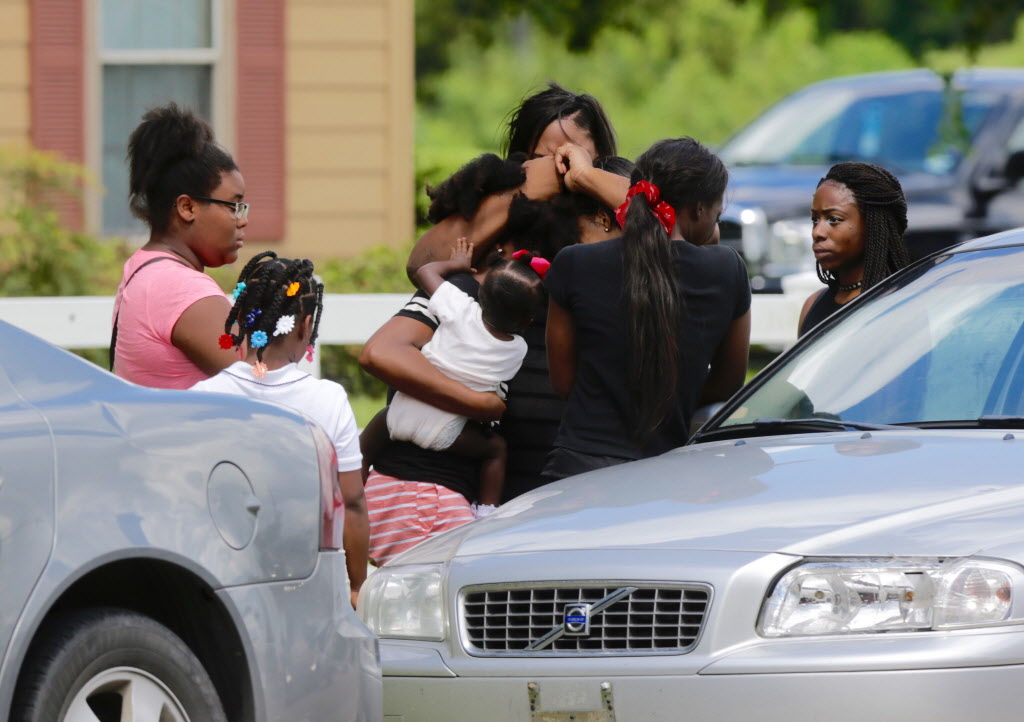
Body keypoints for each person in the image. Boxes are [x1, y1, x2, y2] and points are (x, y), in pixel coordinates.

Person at [542, 137, 752, 481]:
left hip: (577, 471)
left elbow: (564, 382)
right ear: (699, 209)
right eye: (717, 212)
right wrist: (668, 389)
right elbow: (728, 382)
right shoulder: (727, 270)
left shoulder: (574, 262)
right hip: (663, 474)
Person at [190, 252, 368, 607]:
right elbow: (352, 502)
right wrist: (356, 585)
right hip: (305, 575)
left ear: (240, 318)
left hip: (223, 575)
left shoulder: (201, 398)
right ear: (305, 327)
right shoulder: (328, 399)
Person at [359, 238, 544, 521]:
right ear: (527, 322)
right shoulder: (518, 348)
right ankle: (486, 510)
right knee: (496, 450)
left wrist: (456, 265)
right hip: (453, 433)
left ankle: (352, 495)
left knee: (366, 443)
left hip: (399, 415)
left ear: (480, 295)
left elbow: (425, 272)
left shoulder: (460, 308)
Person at [111, 103, 247, 388]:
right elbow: (261, 381)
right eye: (234, 205)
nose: (242, 220)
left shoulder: (145, 268)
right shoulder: (179, 287)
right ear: (187, 207)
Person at [798, 162, 910, 336]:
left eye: (833, 219)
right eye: (815, 219)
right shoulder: (812, 305)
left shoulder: (901, 308)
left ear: (873, 226)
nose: (817, 232)